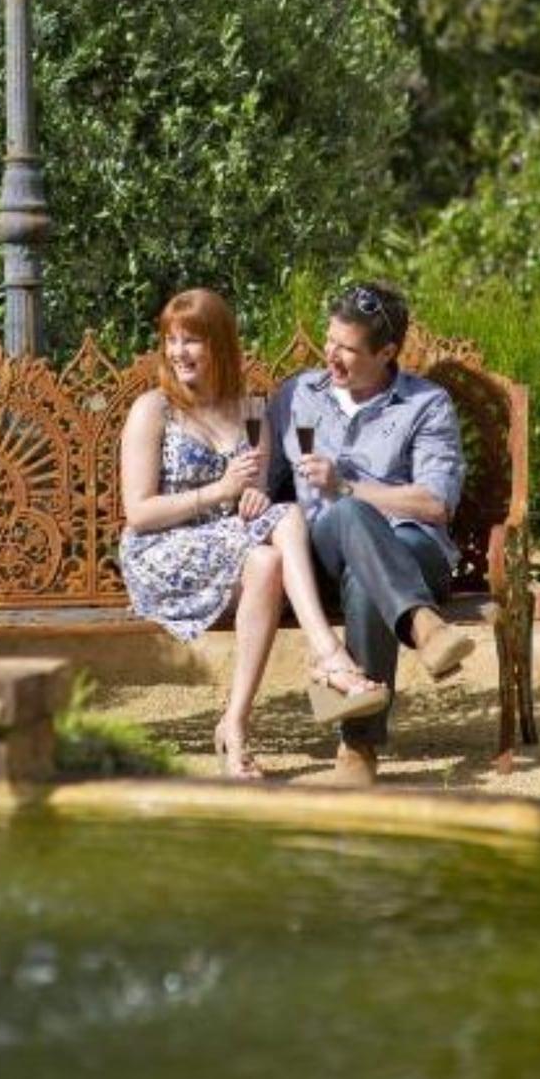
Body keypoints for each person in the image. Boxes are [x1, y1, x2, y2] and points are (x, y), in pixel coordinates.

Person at [118, 288, 388, 779]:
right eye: (171, 341)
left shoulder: (251, 409)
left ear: (221, 345)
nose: (179, 352)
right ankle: (328, 654)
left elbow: (255, 497)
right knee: (284, 523)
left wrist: (253, 496)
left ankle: (234, 724)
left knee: (268, 556)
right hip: (162, 550)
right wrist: (220, 491)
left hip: (228, 545)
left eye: (193, 341)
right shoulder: (153, 410)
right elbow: (137, 514)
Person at [269, 281, 473, 788]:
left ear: (386, 353)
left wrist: (348, 486)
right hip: (323, 555)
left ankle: (357, 748)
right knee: (345, 517)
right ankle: (424, 627)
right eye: (330, 341)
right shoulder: (297, 395)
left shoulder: (426, 404)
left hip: (415, 550)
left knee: (362, 558)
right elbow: (268, 484)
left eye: (349, 350)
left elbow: (435, 503)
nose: (332, 357)